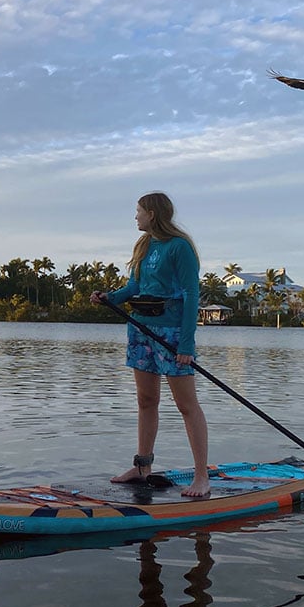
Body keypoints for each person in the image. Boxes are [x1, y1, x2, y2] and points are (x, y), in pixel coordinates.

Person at [91, 191, 209, 497]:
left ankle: (201, 477)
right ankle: (142, 468)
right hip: (140, 330)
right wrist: (110, 298)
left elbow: (191, 294)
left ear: (152, 214)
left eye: (139, 211)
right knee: (146, 400)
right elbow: (135, 286)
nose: (135, 216)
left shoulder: (179, 247)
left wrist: (186, 344)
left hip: (170, 335)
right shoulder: (144, 245)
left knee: (186, 405)